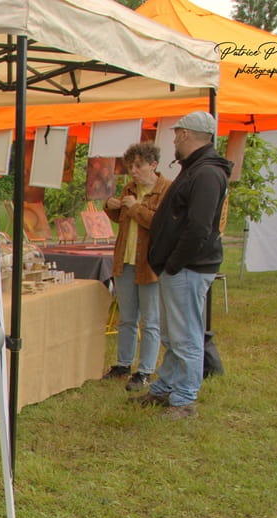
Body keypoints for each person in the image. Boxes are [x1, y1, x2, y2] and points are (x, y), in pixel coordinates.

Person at [137, 111, 232, 419]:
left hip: (188, 267)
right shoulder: (196, 169)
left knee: (186, 336)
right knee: (173, 334)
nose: (175, 140)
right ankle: (166, 388)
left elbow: (199, 227)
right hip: (180, 267)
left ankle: (184, 399)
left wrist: (175, 262)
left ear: (187, 134)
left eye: (177, 134)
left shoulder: (206, 173)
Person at [102, 142, 171, 393]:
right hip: (125, 259)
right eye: (130, 166)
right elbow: (122, 217)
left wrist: (134, 207)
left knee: (150, 320)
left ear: (153, 165)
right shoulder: (130, 188)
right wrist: (111, 206)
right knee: (127, 318)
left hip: (149, 263)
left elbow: (161, 223)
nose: (133, 171)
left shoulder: (166, 190)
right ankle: (123, 365)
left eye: (138, 166)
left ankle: (145, 371)